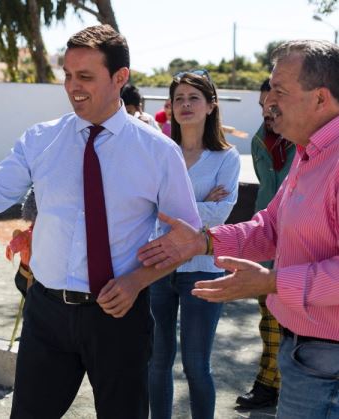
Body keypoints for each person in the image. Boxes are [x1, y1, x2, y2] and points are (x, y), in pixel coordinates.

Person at [0, 25, 201, 419]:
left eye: (85, 76)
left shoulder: (157, 153)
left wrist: (136, 282)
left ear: (121, 78)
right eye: (67, 75)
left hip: (119, 316)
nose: (72, 86)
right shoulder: (41, 139)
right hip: (46, 314)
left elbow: (186, 239)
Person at [137, 40, 339, 419]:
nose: (267, 101)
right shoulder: (309, 153)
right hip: (305, 355)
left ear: (320, 98)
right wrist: (202, 241)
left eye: (279, 90)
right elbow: (269, 226)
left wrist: (272, 282)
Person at [149, 70, 240, 419]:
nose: (185, 105)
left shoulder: (226, 157)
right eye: (178, 99)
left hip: (203, 271)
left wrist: (167, 207)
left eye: (193, 98)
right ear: (170, 107)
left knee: (196, 365)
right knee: (156, 361)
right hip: (157, 266)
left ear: (210, 105)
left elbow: (220, 215)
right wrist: (197, 205)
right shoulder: (158, 152)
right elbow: (145, 207)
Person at [235, 78, 296, 409]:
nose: (267, 112)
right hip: (268, 238)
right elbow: (268, 191)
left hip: (299, 245)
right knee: (268, 316)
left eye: (273, 105)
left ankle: (274, 384)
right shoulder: (264, 139)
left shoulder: (309, 143)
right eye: (262, 106)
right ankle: (268, 384)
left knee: (288, 322)